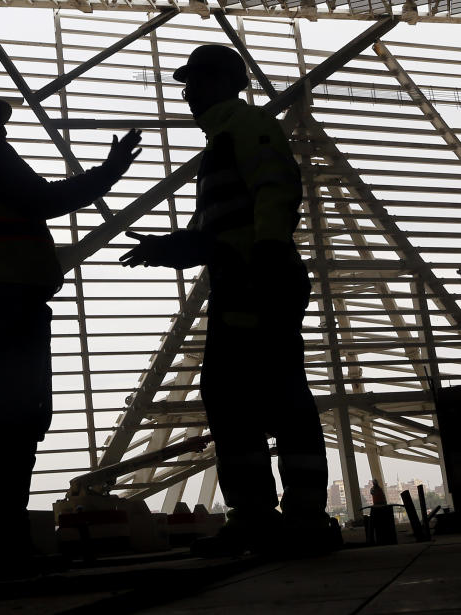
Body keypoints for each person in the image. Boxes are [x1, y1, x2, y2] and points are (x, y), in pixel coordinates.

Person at [120, 45, 338, 556]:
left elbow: (275, 191)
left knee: (257, 393)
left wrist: (262, 257)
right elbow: (218, 229)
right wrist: (170, 248)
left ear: (221, 82)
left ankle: (280, 515)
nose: (186, 93)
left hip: (254, 280)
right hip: (244, 277)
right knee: (243, 393)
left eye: (192, 82)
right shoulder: (223, 142)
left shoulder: (246, 126)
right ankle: (277, 514)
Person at [0, 82, 141, 571]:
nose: (2, 124)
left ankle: (9, 540)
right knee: (14, 422)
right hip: (0, 301)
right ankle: (9, 544)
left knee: (14, 421)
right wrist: (108, 173)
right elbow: (43, 200)